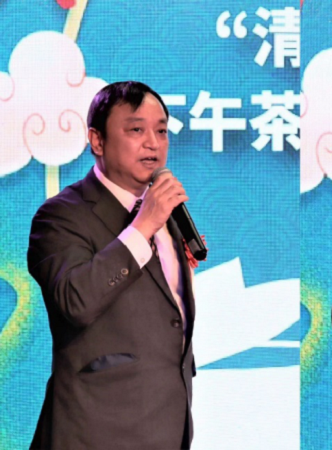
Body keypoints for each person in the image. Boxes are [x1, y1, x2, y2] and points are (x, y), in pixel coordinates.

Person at [28, 81, 198, 449]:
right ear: (97, 140)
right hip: (96, 431)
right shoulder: (60, 216)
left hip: (166, 425)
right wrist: (143, 226)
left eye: (161, 131)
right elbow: (75, 301)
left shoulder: (165, 216)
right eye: (136, 130)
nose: (153, 143)